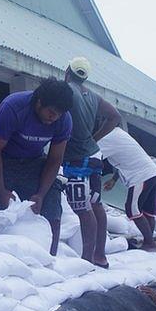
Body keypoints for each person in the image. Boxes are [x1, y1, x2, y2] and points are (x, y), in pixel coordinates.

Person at [0, 79, 74, 254]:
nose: (54, 118)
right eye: (51, 112)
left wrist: (41, 194)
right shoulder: (14, 107)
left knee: (53, 207)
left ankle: (50, 259)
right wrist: (1, 191)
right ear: (39, 101)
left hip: (34, 162)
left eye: (59, 114)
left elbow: (54, 160)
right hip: (2, 159)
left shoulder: (64, 120)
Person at [61, 57, 120, 267]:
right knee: (95, 205)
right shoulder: (93, 96)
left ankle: (86, 260)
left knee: (82, 208)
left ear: (67, 70)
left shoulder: (66, 89)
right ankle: (100, 256)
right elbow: (114, 116)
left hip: (77, 158)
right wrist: (95, 137)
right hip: (95, 156)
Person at [99, 127, 156, 251]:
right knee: (148, 211)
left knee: (132, 210)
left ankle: (149, 243)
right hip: (153, 173)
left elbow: (92, 156)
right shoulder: (118, 133)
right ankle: (149, 241)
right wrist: (114, 179)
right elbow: (125, 157)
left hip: (141, 176)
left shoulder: (106, 138)